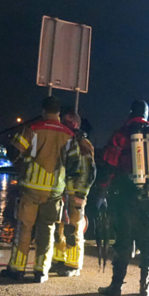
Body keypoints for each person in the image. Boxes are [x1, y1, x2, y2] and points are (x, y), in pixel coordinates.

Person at [94, 100, 149, 296]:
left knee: (123, 240)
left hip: (125, 195)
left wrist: (102, 192)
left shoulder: (120, 135)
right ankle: (145, 287)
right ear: (147, 115)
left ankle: (116, 286)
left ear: (130, 113)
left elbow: (109, 165)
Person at [0, 95, 79, 283]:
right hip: (54, 191)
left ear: (43, 110)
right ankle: (41, 271)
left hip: (31, 188)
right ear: (59, 113)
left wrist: (23, 167)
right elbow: (75, 164)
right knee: (48, 230)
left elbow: (12, 152)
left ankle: (17, 269)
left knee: (24, 228)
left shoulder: (33, 129)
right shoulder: (69, 134)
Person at [52, 111, 97, 276]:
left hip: (75, 192)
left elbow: (89, 171)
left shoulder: (83, 144)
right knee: (59, 227)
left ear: (75, 124)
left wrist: (82, 194)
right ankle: (58, 260)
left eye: (65, 121)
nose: (61, 123)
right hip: (62, 191)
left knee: (74, 228)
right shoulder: (67, 141)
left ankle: (73, 265)